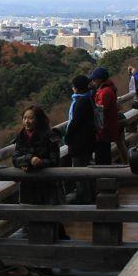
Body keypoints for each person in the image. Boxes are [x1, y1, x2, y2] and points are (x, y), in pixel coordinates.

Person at [12, 105, 62, 205]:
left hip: (47, 185)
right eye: (24, 118)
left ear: (38, 119)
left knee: (48, 216)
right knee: (29, 215)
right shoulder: (21, 137)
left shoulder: (49, 136)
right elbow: (15, 159)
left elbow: (54, 160)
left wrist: (40, 162)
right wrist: (29, 160)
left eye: (30, 118)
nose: (27, 121)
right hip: (28, 186)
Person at [64, 75, 96, 203]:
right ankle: (91, 195)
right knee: (87, 169)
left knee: (80, 171)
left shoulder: (80, 102)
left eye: (73, 86)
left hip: (79, 143)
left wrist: (67, 137)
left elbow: (74, 122)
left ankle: (85, 198)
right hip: (87, 140)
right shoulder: (88, 98)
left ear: (76, 88)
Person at [89, 67, 120, 165]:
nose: (92, 81)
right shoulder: (107, 88)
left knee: (102, 156)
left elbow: (100, 113)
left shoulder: (104, 92)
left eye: (94, 79)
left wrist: (98, 131)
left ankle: (105, 176)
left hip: (103, 131)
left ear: (101, 79)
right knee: (105, 154)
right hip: (107, 128)